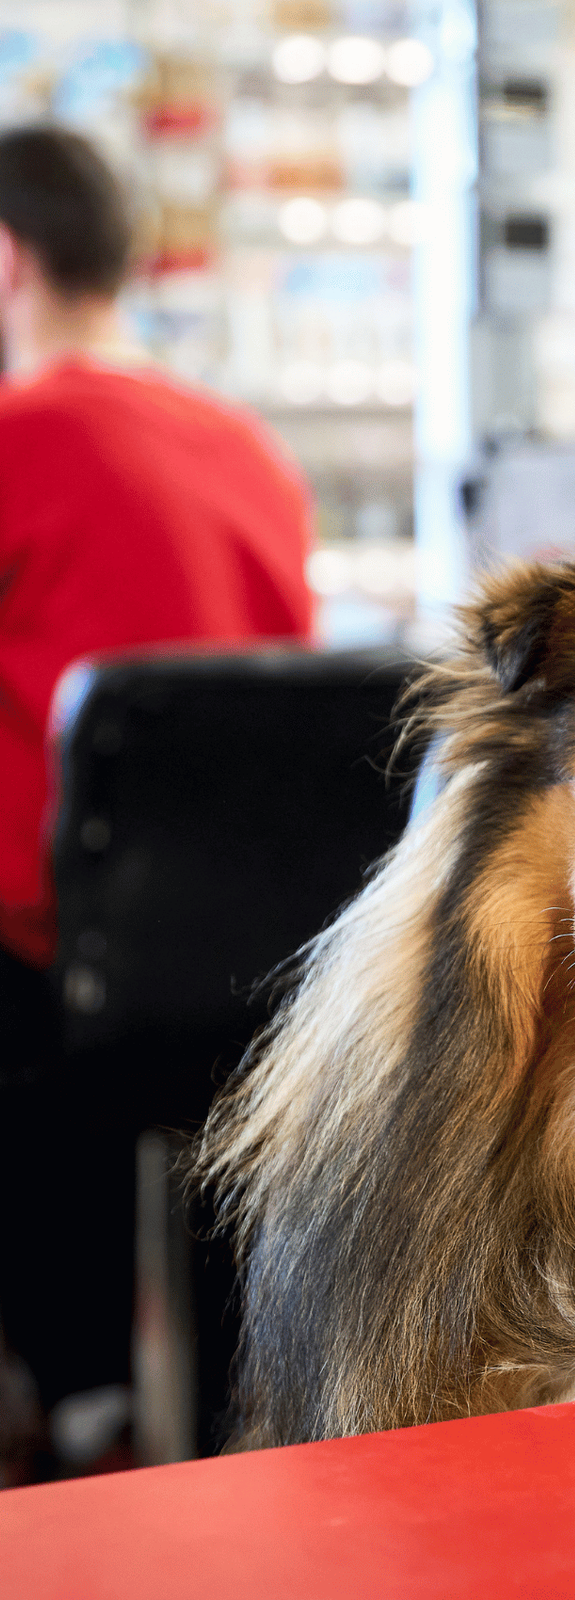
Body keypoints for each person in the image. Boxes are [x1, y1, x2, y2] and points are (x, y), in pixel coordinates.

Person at [0, 124, 314, 1459]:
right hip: (254, 992)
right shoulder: (249, 451)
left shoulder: (18, 438)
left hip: (44, 977)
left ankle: (72, 1389)